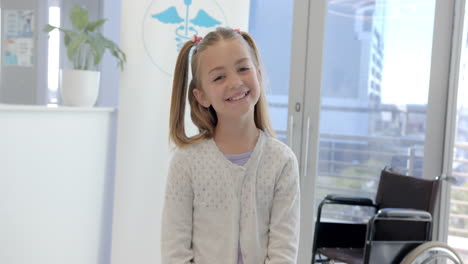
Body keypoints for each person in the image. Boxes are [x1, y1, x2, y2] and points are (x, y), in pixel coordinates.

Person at [162, 27, 300, 264]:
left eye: (243, 68)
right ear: (201, 96)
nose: (235, 82)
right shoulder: (186, 162)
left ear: (258, 74)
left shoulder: (282, 161)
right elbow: (175, 251)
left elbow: (283, 252)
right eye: (219, 77)